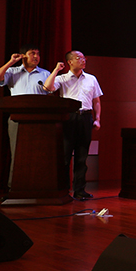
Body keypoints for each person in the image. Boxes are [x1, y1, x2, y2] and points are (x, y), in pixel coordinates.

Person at [43, 51, 102, 201]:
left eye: (83, 58)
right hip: (69, 117)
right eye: (78, 58)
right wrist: (56, 70)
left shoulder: (91, 78)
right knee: (65, 155)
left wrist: (97, 119)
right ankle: (63, 189)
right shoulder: (62, 78)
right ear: (69, 62)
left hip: (86, 117)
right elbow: (47, 88)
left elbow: (96, 101)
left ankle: (80, 190)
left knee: (82, 157)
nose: (83, 60)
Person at [0, 45, 51, 188]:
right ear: (23, 56)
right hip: (17, 118)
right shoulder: (12, 71)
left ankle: (39, 187)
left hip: (40, 119)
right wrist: (11, 62)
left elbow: (51, 91)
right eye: (32, 53)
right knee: (17, 153)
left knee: (39, 153)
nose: (36, 56)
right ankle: (14, 188)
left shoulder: (45, 73)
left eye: (38, 54)